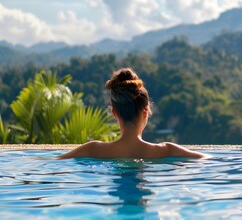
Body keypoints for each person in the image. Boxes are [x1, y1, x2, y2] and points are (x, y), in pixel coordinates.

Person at [57, 68, 208, 159]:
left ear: (114, 113)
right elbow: (209, 160)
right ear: (146, 111)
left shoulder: (91, 149)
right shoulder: (168, 150)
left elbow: (49, 163)